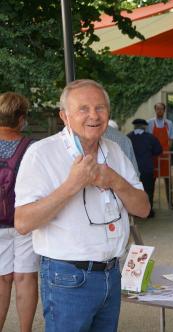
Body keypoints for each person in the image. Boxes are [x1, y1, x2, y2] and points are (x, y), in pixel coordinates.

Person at [14, 79, 150, 332]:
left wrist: (114, 180)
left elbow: (143, 208)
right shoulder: (42, 153)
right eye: (83, 109)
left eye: (100, 108)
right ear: (64, 116)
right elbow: (22, 223)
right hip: (67, 277)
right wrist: (72, 184)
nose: (94, 116)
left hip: (111, 273)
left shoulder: (115, 151)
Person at [0, 92, 38, 332]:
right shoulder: (32, 147)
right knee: (26, 278)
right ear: (21, 118)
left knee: (1, 280)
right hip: (26, 221)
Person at [128, 119, 163, 218]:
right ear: (144, 127)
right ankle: (148, 212)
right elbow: (158, 150)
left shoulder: (128, 137)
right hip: (147, 168)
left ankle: (134, 212)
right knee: (148, 190)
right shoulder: (150, 138)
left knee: (133, 190)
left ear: (134, 126)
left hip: (132, 169)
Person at [147, 102, 173, 210]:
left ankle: (171, 203)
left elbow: (171, 139)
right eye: (158, 109)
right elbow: (148, 139)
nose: (160, 111)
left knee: (168, 179)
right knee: (152, 179)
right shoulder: (149, 123)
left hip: (165, 155)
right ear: (155, 110)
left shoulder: (169, 123)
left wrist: (167, 149)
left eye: (162, 109)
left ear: (164, 110)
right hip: (153, 155)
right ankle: (149, 204)